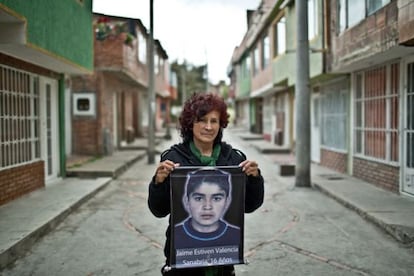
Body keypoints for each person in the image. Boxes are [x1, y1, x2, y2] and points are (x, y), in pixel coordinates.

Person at [148, 92, 264, 276]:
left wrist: (255, 178)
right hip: (183, 263)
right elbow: (158, 210)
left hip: (224, 262)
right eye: (202, 120)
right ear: (190, 124)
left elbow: (250, 206)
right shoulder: (173, 159)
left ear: (221, 124)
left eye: (214, 121)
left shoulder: (233, 159)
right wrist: (159, 182)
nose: (208, 127)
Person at [174, 168, 240, 250]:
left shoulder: (236, 235)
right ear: (186, 201)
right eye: (198, 198)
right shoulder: (175, 235)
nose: (207, 207)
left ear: (227, 201)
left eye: (216, 199)